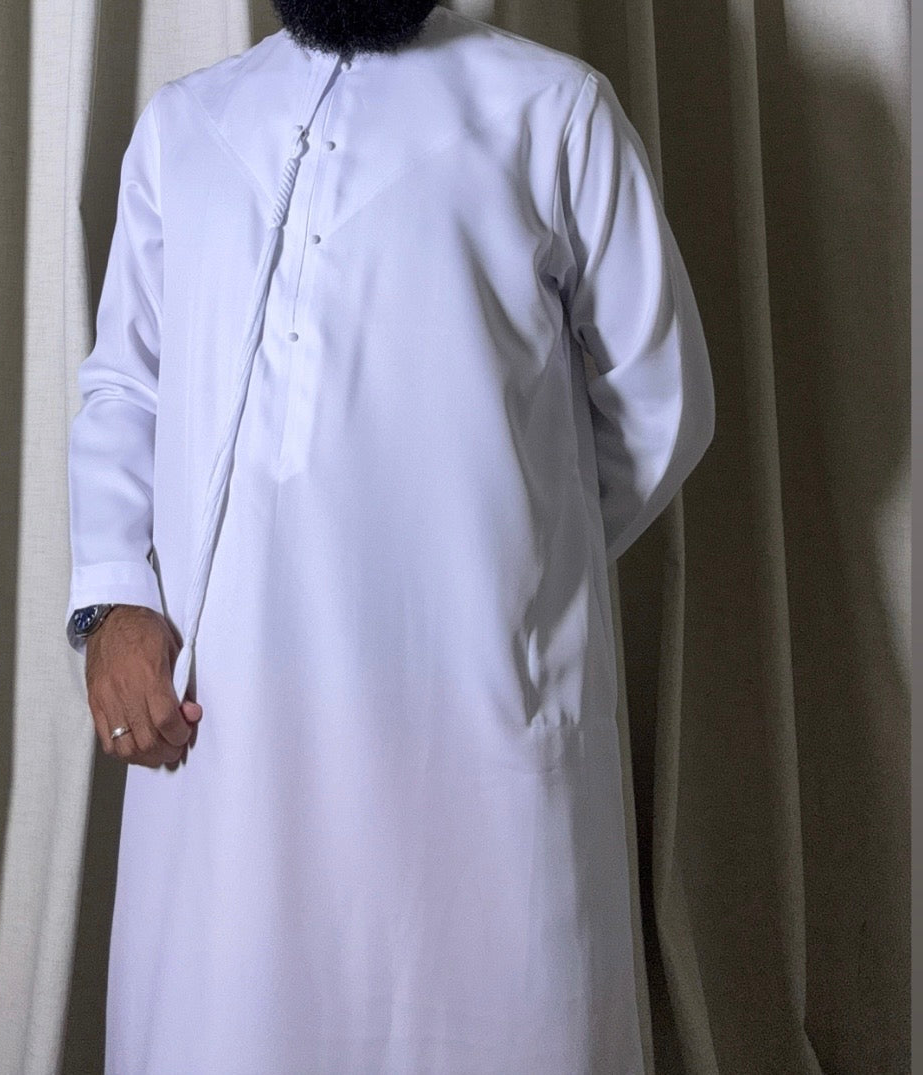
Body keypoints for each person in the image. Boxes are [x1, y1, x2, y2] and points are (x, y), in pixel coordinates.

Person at [65, 2, 716, 1071]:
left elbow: (661, 401)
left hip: (476, 720)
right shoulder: (186, 128)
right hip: (231, 726)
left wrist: (509, 565)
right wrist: (113, 600)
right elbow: (126, 386)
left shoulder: (554, 112)